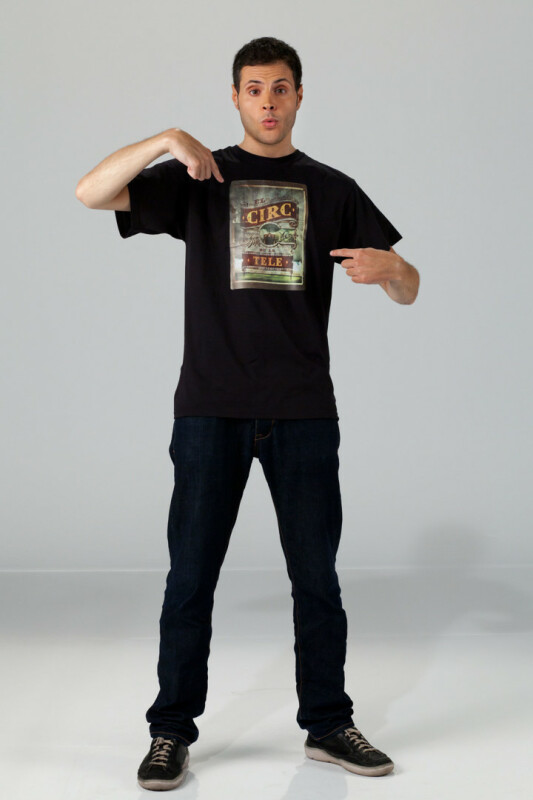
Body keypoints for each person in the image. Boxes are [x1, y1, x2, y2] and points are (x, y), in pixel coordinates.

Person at [76, 36, 419, 792]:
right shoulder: (200, 178)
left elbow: (408, 288)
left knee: (316, 580)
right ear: (234, 96)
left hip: (303, 412)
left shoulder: (332, 189)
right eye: (255, 88)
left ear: (299, 97)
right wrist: (167, 139)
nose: (268, 101)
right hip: (210, 408)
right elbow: (90, 193)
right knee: (190, 579)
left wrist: (394, 267)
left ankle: (328, 725)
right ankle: (170, 731)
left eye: (281, 88)